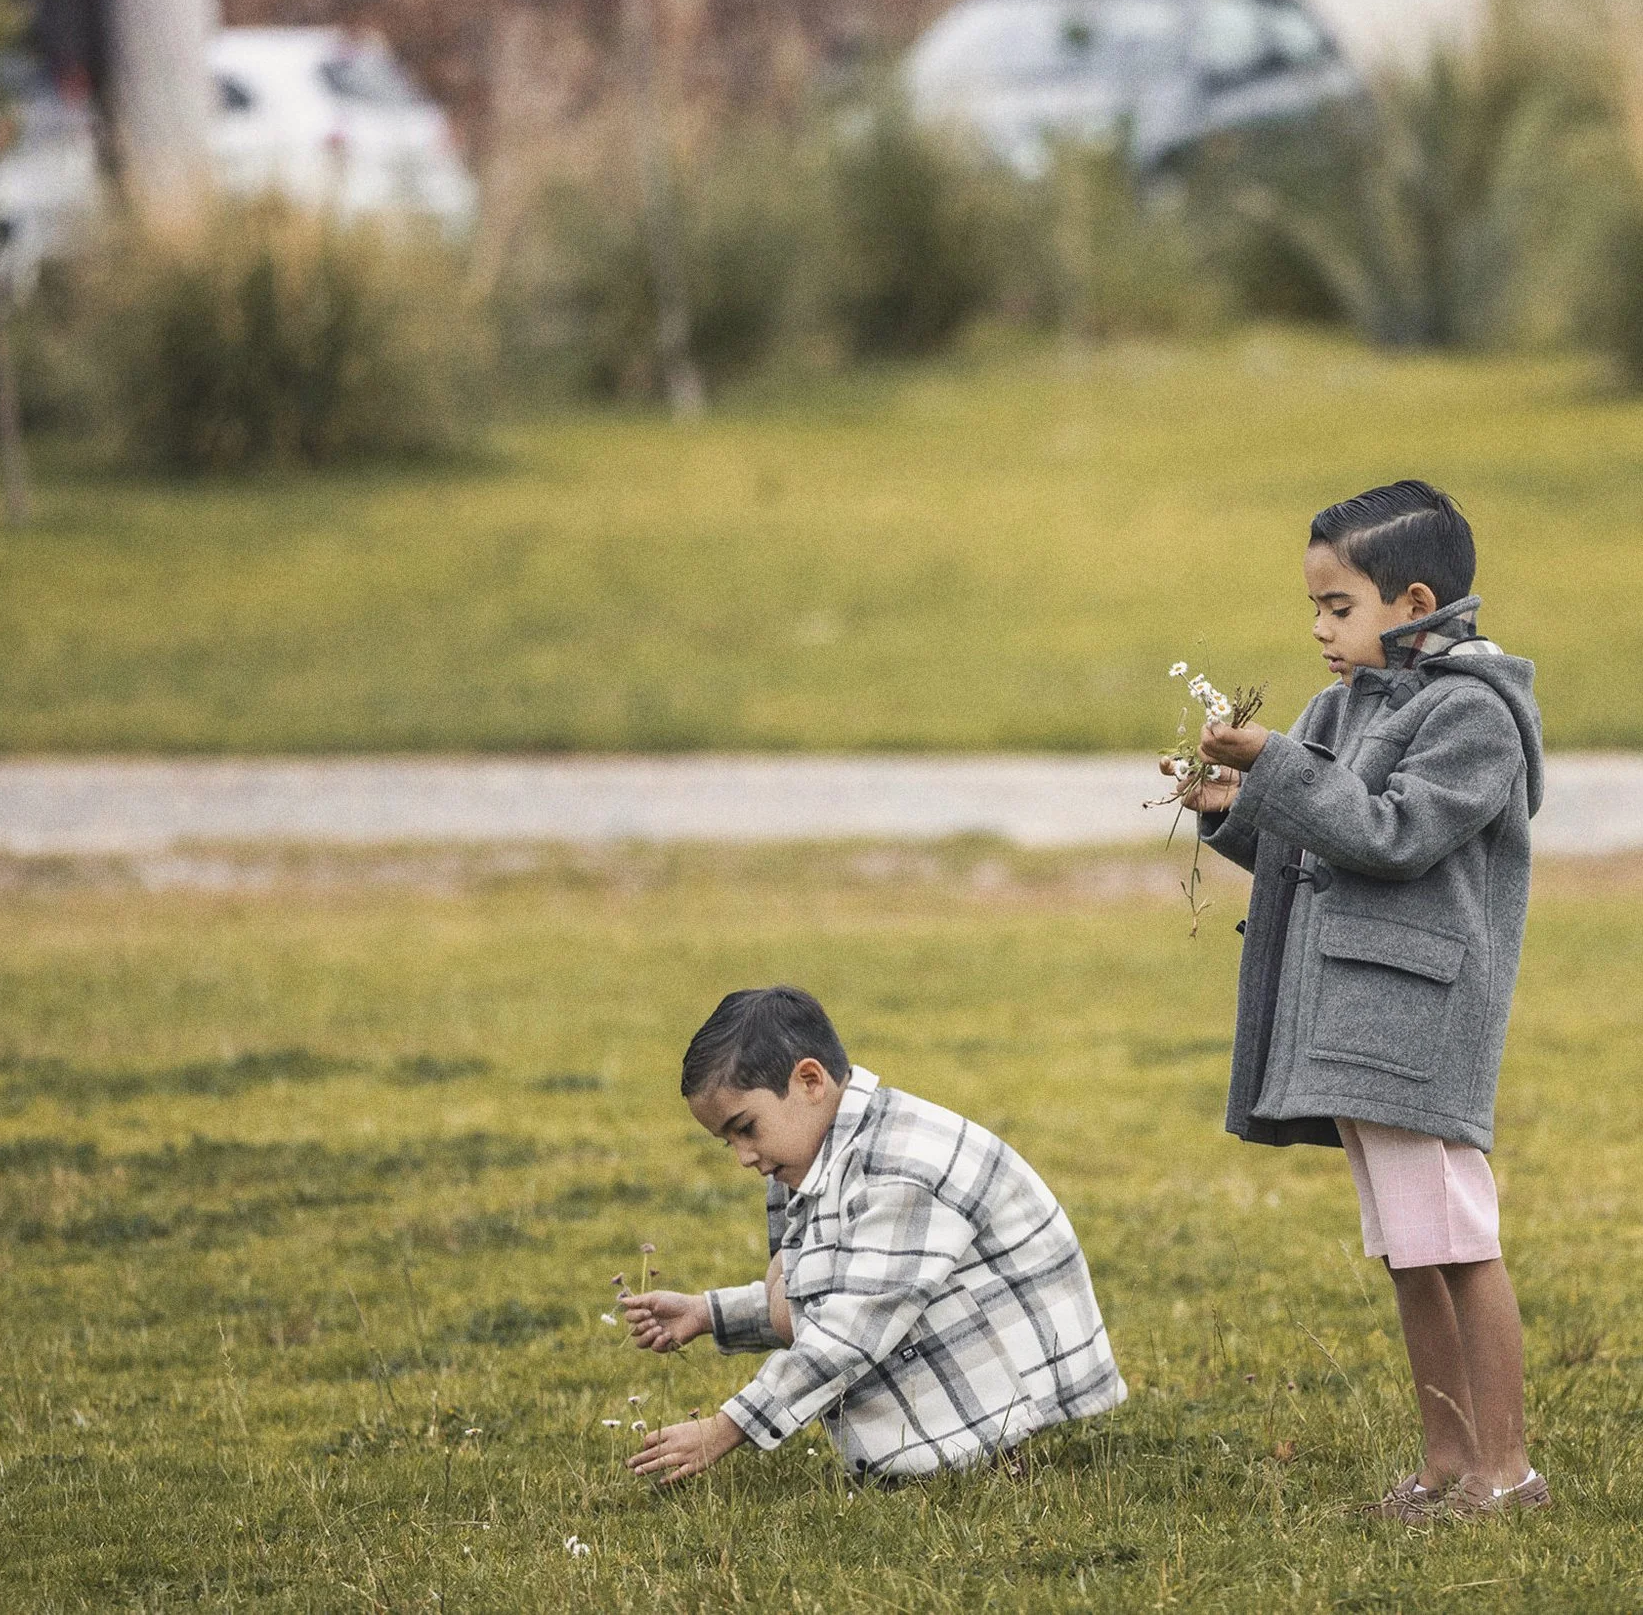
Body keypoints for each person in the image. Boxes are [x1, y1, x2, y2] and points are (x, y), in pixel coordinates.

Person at [1170, 479, 1548, 1523]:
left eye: (1338, 607)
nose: (1320, 630)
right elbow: (1313, 837)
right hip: (1352, 1017)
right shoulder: (1342, 705)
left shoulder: (1473, 714)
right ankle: (1443, 1463)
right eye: (1315, 610)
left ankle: (1507, 1473)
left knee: (1458, 1244)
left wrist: (1278, 768)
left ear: (1414, 599)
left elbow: (1391, 834)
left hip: (1414, 1025)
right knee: (1406, 1252)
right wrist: (1232, 810)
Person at [618, 986, 1126, 1483]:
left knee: (803, 1289)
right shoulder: (823, 1153)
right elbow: (833, 1285)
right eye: (727, 1142)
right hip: (927, 1327)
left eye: (746, 1128)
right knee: (790, 1281)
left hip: (1018, 1380)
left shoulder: (901, 1168)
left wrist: (728, 1427)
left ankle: (989, 1448)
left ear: (811, 1081)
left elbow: (854, 1322)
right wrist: (707, 1313)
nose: (744, 1156)